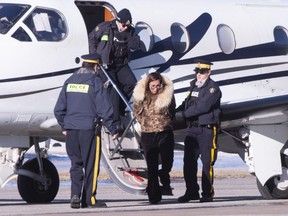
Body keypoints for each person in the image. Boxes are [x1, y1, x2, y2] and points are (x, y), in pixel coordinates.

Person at [54, 53, 118, 209]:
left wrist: (64, 126)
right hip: (89, 130)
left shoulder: (69, 81)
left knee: (76, 165)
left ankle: (75, 195)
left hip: (71, 130)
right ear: (96, 67)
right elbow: (104, 108)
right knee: (91, 166)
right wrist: (112, 128)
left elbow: (58, 109)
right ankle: (90, 200)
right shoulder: (95, 82)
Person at [175, 59, 222, 203]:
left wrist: (183, 115)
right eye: (197, 72)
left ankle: (207, 193)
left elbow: (203, 107)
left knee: (207, 163)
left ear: (209, 72)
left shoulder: (213, 89)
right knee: (188, 162)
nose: (199, 75)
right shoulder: (193, 86)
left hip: (206, 130)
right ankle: (191, 192)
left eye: (202, 72)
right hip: (192, 129)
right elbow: (187, 103)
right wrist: (175, 112)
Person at [88, 8, 140, 131]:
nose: (125, 27)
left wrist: (127, 34)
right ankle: (115, 122)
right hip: (107, 64)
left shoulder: (129, 31)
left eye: (127, 25)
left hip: (121, 64)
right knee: (113, 89)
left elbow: (136, 45)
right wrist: (95, 56)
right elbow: (92, 37)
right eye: (123, 25)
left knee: (132, 83)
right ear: (117, 21)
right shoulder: (105, 27)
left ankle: (120, 108)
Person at [133, 72, 176, 204]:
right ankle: (154, 196)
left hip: (165, 132)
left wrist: (165, 122)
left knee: (168, 161)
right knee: (152, 167)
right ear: (148, 85)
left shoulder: (167, 95)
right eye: (153, 86)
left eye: (158, 86)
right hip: (148, 134)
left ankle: (164, 175)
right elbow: (137, 112)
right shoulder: (141, 95)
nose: (156, 88)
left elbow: (172, 110)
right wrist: (147, 123)